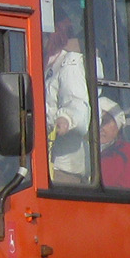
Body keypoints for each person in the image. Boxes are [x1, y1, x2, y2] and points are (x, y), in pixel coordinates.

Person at [43, 10, 91, 183]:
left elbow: (77, 103)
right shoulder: (41, 63)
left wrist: (66, 119)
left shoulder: (69, 62)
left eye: (45, 33)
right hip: (41, 163)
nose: (41, 38)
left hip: (63, 169)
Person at [97, 97, 130, 189]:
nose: (100, 126)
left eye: (105, 121)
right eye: (96, 121)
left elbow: (129, 193)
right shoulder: (81, 149)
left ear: (118, 125)